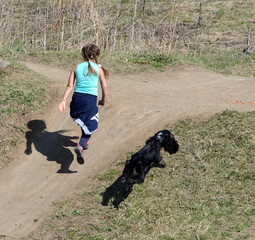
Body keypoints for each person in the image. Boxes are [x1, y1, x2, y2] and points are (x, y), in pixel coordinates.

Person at [58, 44, 108, 164]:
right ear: (97, 54)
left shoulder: (76, 67)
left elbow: (70, 85)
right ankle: (81, 146)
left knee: (84, 121)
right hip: (90, 100)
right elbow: (104, 86)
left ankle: (85, 143)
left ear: (83, 54)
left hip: (77, 99)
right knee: (91, 124)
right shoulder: (99, 69)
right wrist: (103, 100)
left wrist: (63, 101)